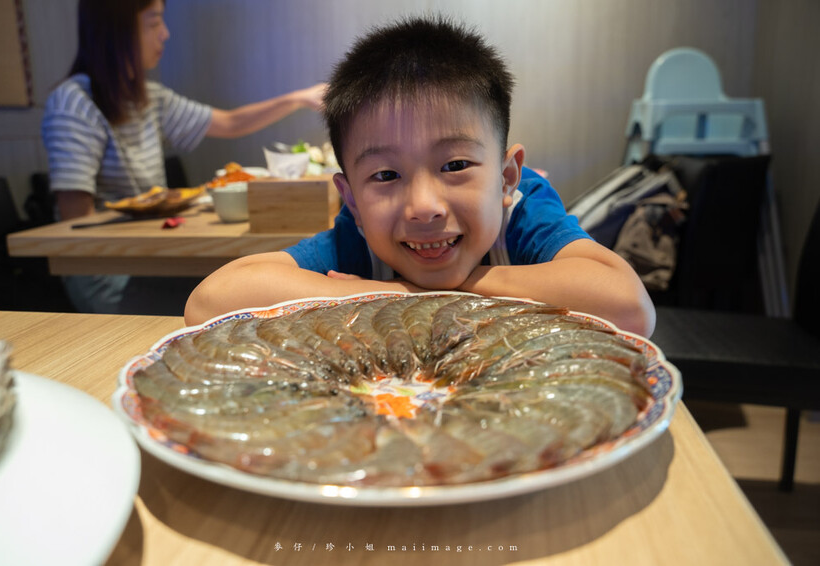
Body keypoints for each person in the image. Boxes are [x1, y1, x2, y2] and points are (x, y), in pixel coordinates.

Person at [185, 16, 655, 338]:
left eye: (455, 165)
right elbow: (210, 302)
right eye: (386, 174)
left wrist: (428, 290)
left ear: (507, 176)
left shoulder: (523, 211)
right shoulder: (359, 239)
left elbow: (628, 306)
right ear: (352, 201)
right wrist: (388, 291)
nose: (424, 205)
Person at [41, 0, 326, 314]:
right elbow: (74, 222)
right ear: (117, 30)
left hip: (154, 260)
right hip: (109, 276)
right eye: (153, 23)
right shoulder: (73, 103)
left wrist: (297, 99)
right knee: (240, 301)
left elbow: (229, 122)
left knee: (254, 287)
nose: (165, 34)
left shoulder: (147, 98)